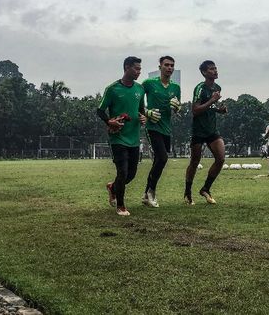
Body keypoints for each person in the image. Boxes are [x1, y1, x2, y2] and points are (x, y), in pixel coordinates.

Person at [97, 56, 148, 216]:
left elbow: (141, 111)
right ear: (127, 67)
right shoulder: (112, 89)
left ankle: (113, 188)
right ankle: (121, 206)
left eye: (140, 69)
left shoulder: (140, 89)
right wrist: (109, 121)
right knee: (123, 172)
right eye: (136, 68)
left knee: (131, 174)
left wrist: (143, 117)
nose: (139, 72)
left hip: (134, 138)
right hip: (118, 137)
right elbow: (100, 110)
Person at [184, 60, 227, 205]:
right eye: (211, 69)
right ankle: (187, 192)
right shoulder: (200, 88)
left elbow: (210, 107)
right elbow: (195, 110)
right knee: (195, 162)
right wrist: (212, 100)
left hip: (212, 130)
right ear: (204, 73)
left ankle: (205, 189)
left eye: (215, 68)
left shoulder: (217, 87)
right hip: (199, 130)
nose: (215, 71)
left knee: (220, 159)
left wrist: (219, 110)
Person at [141, 56, 181, 208]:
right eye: (166, 65)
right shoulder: (149, 84)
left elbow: (177, 108)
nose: (169, 68)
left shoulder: (175, 87)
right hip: (152, 127)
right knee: (162, 158)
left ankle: (146, 195)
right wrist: (146, 112)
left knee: (159, 160)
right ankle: (151, 192)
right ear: (160, 67)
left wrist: (178, 107)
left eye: (172, 65)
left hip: (166, 128)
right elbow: (136, 98)